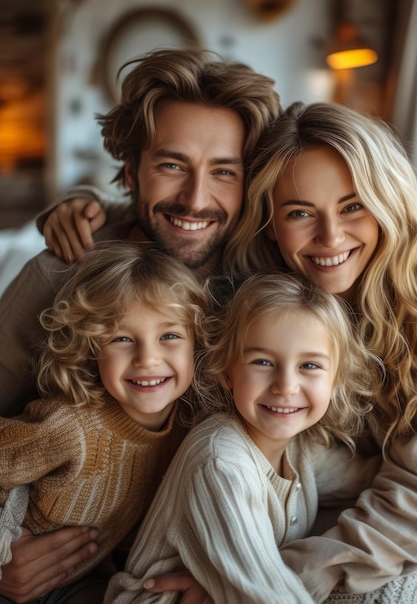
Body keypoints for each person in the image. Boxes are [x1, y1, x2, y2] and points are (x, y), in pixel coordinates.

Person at [0, 48, 280, 601]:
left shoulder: (262, 286)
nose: (196, 199)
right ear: (132, 171)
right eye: (172, 165)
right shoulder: (60, 272)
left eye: (223, 171)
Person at [222, 101, 417, 602]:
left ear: (388, 201)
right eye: (300, 213)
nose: (330, 237)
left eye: (353, 206)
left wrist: (264, 579)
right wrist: (94, 204)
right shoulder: (265, 302)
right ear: (270, 224)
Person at [103, 273, 381, 604]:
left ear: (336, 380)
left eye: (309, 365)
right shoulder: (220, 461)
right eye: (262, 362)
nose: (286, 386)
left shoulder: (304, 446)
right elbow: (269, 597)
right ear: (226, 370)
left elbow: (369, 479)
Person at [0, 241, 209, 603]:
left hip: (81, 579)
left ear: (197, 343)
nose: (147, 358)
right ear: (92, 349)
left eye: (169, 336)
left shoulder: (192, 425)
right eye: (122, 338)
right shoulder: (67, 428)